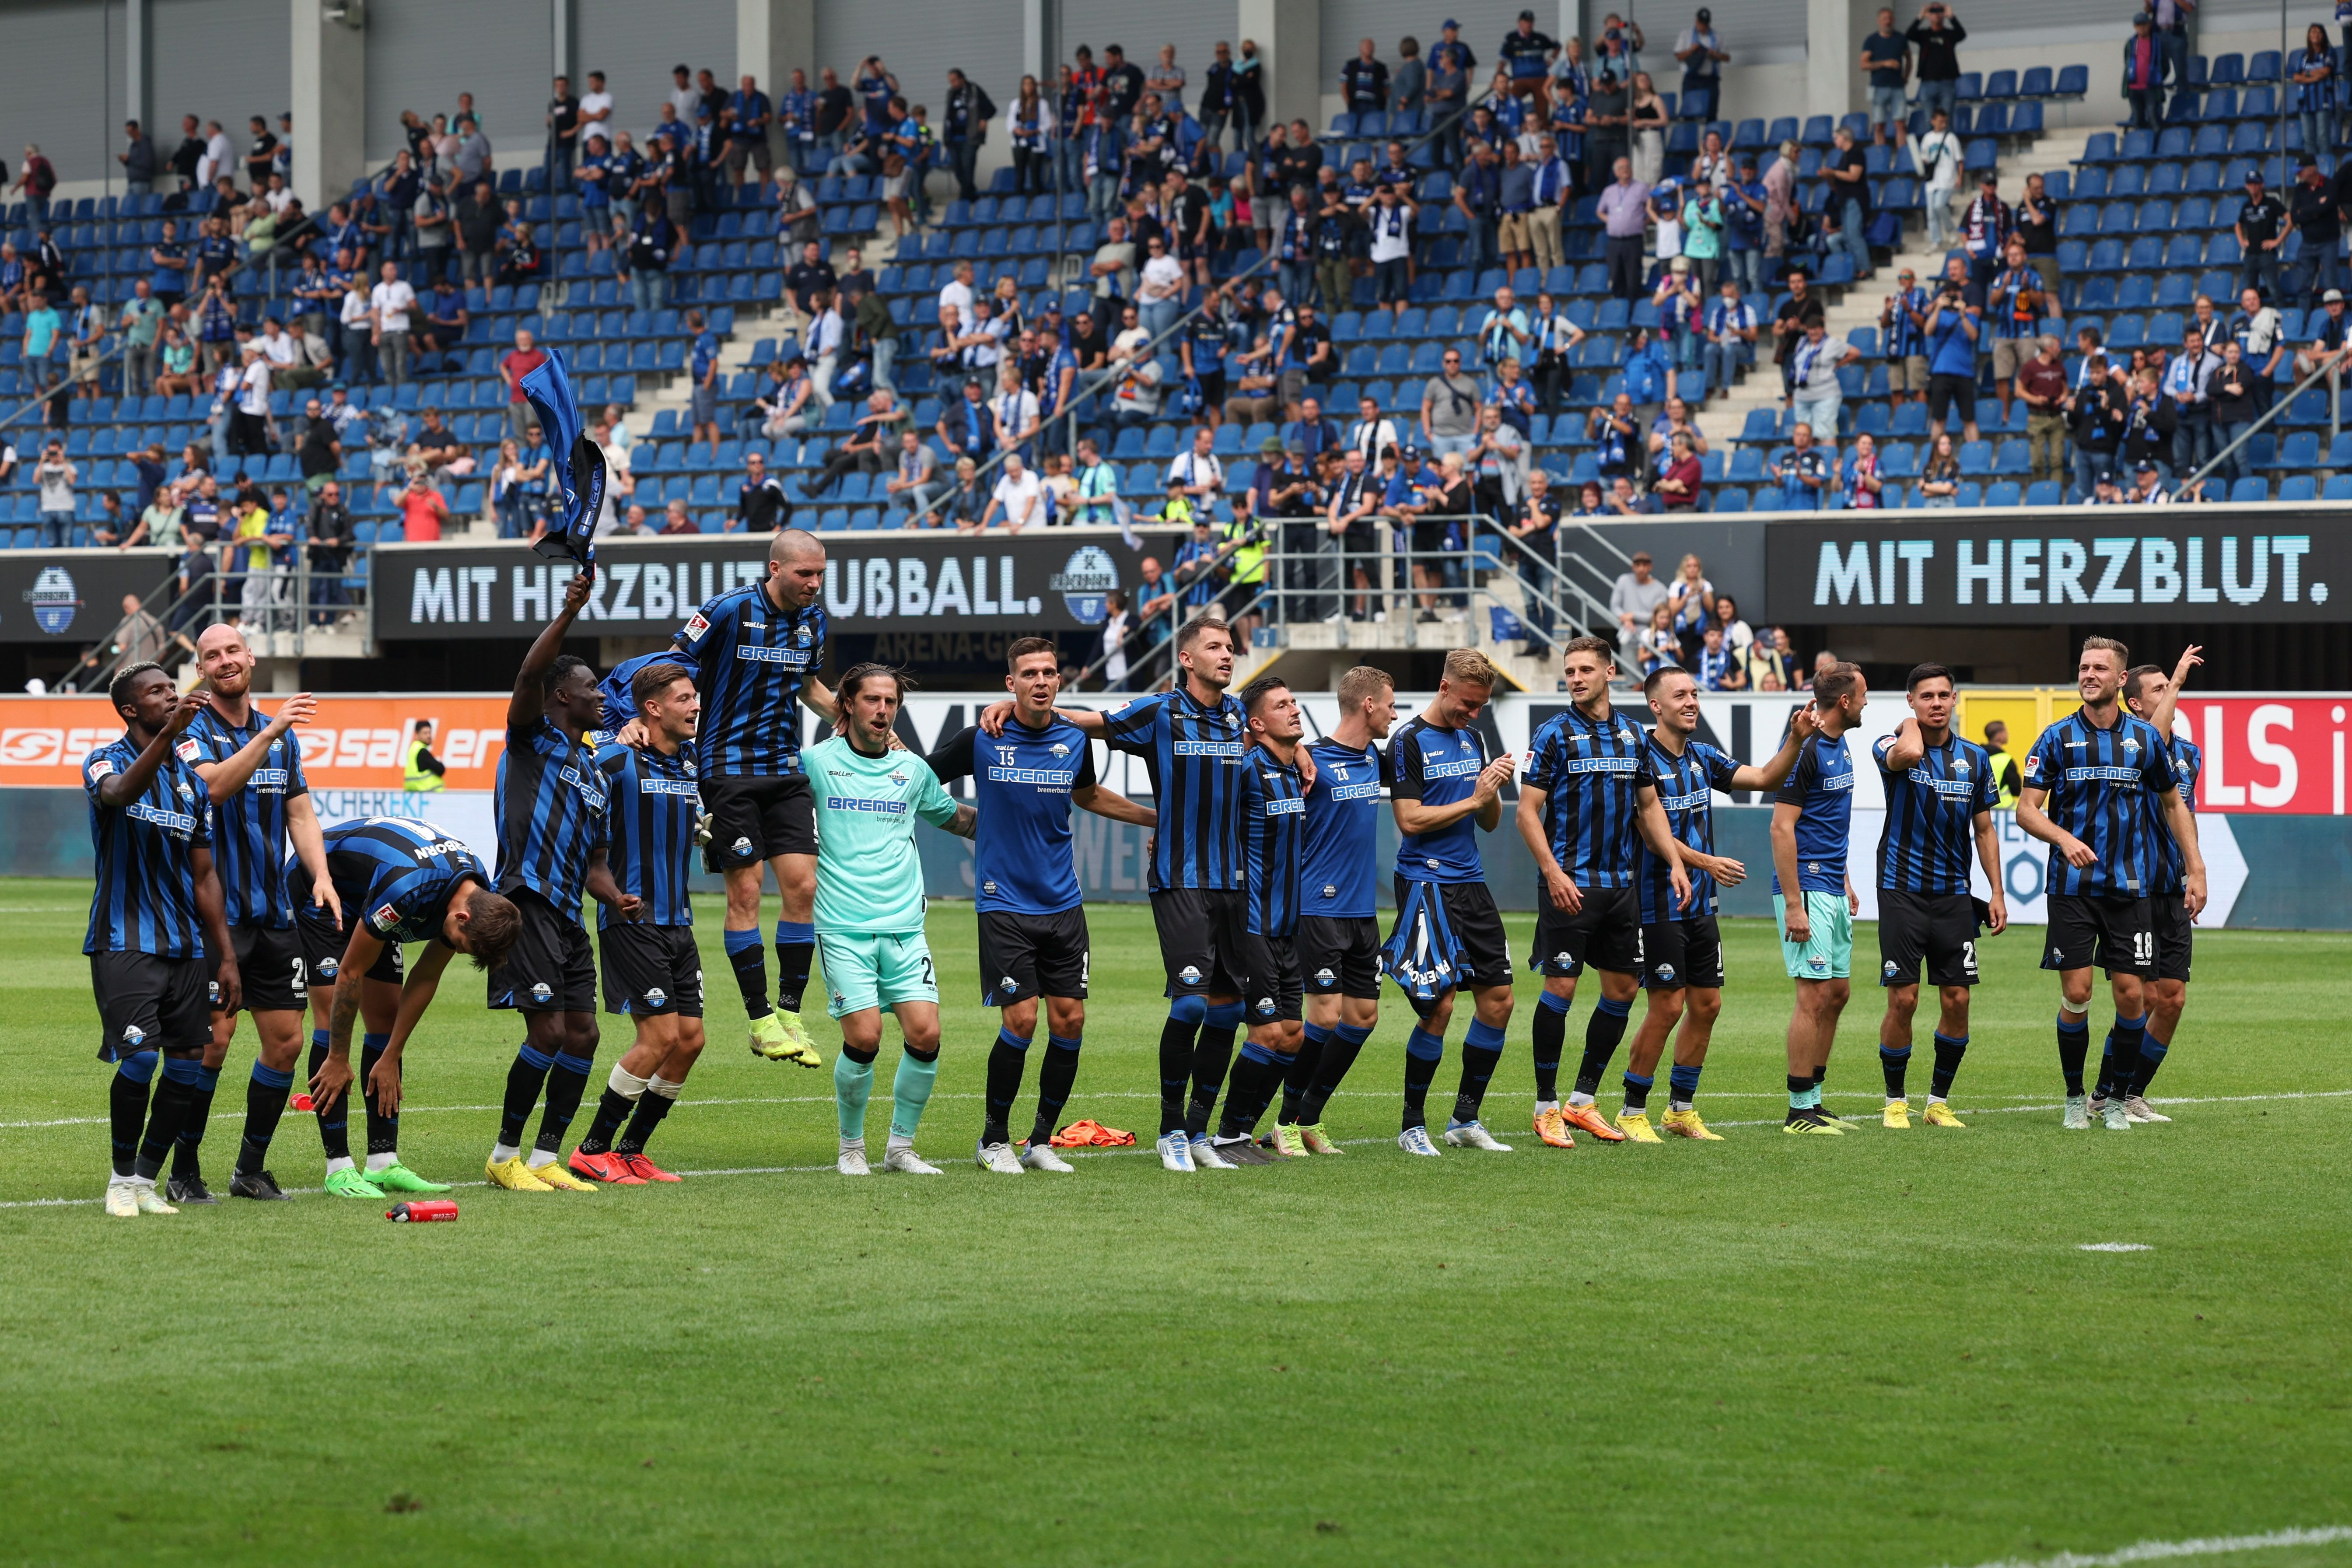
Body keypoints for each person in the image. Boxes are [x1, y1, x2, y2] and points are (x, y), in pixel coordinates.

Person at [976, 616, 1255, 1173]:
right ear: (1186, 658)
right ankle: (1171, 1131)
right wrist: (1025, 708)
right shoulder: (1158, 710)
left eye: (1231, 647)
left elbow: (1275, 737)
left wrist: (1296, 753)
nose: (1227, 655)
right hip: (1179, 878)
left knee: (1229, 1012)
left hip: (1235, 880)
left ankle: (1198, 1133)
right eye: (1215, 647)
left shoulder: (1238, 713)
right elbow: (1092, 721)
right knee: (1193, 1001)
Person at [925, 640, 1155, 1171]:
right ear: (1011, 684)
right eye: (1029, 673)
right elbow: (921, 779)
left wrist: (1156, 820)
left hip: (1063, 902)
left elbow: (1090, 795)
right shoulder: (982, 737)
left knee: (1070, 1020)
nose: (1041, 680)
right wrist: (964, 821)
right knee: (1023, 1020)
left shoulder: (1075, 738)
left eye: (1050, 671)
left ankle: (1042, 1142)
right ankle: (994, 1140)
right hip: (1003, 901)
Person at [1608, 667, 1815, 1141]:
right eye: (1680, 695)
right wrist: (1706, 861)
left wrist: (1796, 739)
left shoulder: (1702, 756)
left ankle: (1680, 1109)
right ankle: (1632, 1109)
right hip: (1656, 902)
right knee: (1667, 1006)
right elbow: (1646, 828)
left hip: (1700, 905)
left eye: (1695, 694)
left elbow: (1763, 776)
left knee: (1707, 1003)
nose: (1691, 702)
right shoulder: (1640, 759)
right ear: (1655, 706)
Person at [166, 630, 336, 1203]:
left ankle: (250, 1169)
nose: (225, 662)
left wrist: (321, 874)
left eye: (232, 652)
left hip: (273, 914)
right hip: (215, 915)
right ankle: (184, 1171)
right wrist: (269, 732)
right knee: (214, 1041)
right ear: (201, 668)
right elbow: (212, 788)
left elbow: (301, 813)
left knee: (286, 1042)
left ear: (251, 658)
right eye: (212, 656)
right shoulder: (192, 727)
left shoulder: (280, 739)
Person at [2015, 637, 2205, 1132]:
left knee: (2132, 997)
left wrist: (2197, 867)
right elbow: (2026, 809)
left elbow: (2173, 803)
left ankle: (2118, 1098)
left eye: (2100, 667)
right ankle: (2076, 1096)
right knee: (2077, 994)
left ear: (2122, 680)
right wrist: (2063, 838)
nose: (2089, 674)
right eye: (2084, 666)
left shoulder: (2144, 739)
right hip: (2072, 888)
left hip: (2131, 889)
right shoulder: (2056, 737)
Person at [480, 568, 628, 1194]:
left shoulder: (596, 775)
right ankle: (503, 1154)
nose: (602, 695)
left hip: (570, 913)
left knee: (585, 1032)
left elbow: (596, 865)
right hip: (527, 899)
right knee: (546, 1029)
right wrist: (568, 613)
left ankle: (545, 1157)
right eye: (591, 687)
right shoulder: (530, 740)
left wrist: (616, 896)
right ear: (561, 696)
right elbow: (524, 678)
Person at [1512, 637, 1693, 1148]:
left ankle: (1582, 1101)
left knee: (1622, 990)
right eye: (1570, 670)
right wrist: (1551, 871)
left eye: (1586, 668)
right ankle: (1545, 1105)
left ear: (1610, 672)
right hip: (1569, 884)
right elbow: (1527, 812)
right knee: (1562, 990)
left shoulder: (1635, 736)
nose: (1575, 677)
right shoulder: (1553, 734)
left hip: (1620, 888)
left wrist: (1676, 862)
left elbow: (1649, 807)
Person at [800, 664, 976, 1176]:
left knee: (925, 1034)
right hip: (842, 925)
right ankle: (850, 1147)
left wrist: (1016, 823)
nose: (882, 709)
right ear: (847, 705)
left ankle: (900, 1148)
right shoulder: (816, 762)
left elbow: (953, 818)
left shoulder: (913, 770)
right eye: (872, 700)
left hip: (905, 926)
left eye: (890, 702)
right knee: (866, 1037)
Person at [83, 664, 240, 1218]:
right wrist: (171, 737)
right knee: (140, 1059)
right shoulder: (105, 761)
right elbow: (122, 794)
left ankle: (146, 1181)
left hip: (187, 949)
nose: (171, 695)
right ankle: (120, 1180)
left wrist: (226, 957)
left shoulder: (194, 784)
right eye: (157, 692)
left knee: (185, 1066)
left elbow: (205, 877)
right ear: (130, 709)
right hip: (125, 940)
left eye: (173, 688)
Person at [561, 662, 707, 1186]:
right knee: (659, 1037)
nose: (695, 705)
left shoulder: (688, 759)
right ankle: (591, 1149)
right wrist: (612, 729)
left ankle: (631, 1150)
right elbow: (578, 754)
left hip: (680, 921)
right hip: (632, 918)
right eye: (685, 698)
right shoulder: (618, 757)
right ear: (652, 708)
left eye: (696, 696)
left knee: (690, 1040)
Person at [1381, 650, 1522, 1158]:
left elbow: (1489, 823)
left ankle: (1466, 1118)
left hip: (1472, 881)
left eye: (1481, 705)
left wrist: (1493, 793)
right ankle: (1411, 1124)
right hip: (1425, 884)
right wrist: (1475, 794)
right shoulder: (1408, 742)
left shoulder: (1473, 737)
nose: (1473, 713)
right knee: (1439, 1005)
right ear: (1445, 687)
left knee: (1499, 1001)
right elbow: (1410, 820)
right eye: (1468, 703)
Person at [1262, 665, 1396, 1154]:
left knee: (1362, 1018)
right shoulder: (1309, 758)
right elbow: (1244, 744)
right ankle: (1285, 1122)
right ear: (1368, 705)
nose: (1394, 713)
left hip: (1364, 911)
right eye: (1389, 704)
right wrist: (1297, 748)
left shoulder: (1377, 760)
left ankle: (1311, 1118)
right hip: (1318, 907)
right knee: (1322, 1017)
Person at [1870, 663, 2008, 1130]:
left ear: (1956, 700)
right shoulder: (1892, 745)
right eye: (1925, 695)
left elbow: (1985, 829)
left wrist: (1998, 892)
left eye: (1943, 695)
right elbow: (1907, 749)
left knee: (1957, 1000)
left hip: (1954, 895)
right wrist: (1909, 725)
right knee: (1904, 999)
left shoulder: (1975, 757)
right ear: (1911, 700)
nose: (1936, 703)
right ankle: (1894, 1100)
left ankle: (1937, 1101)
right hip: (1901, 890)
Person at [2109, 646, 2204, 1123]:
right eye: (2160, 689)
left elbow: (2186, 814)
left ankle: (2131, 1093)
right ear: (2135, 704)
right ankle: (2106, 1092)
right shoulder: (2138, 745)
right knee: (2141, 996)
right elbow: (2156, 735)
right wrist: (2182, 679)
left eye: (2171, 685)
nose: (2170, 692)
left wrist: (2194, 871)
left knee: (2172, 998)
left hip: (2172, 888)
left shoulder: (2190, 754)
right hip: (2137, 888)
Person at [1772, 660, 1867, 1134]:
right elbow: (1782, 826)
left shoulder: (1840, 741)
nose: (1867, 701)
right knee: (1812, 997)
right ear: (1845, 702)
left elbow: (1828, 820)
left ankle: (1815, 1097)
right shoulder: (1807, 747)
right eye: (1863, 694)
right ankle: (1798, 1111)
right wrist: (1793, 903)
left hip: (1831, 882)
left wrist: (1846, 878)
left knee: (1838, 993)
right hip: (1806, 887)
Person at [1906, 2, 1967, 125]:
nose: (1936, 15)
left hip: (1947, 83)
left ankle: (1947, 144)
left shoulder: (1949, 34)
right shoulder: (1924, 35)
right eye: (1933, 12)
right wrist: (1921, 17)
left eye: (1939, 12)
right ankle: (1932, 144)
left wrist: (1951, 17)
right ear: (1929, 15)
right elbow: (1909, 35)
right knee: (1930, 121)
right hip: (1927, 83)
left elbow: (1962, 35)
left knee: (1947, 121)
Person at [1861, 9, 1911, 146]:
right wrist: (1885, 63)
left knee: (1900, 123)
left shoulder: (1901, 39)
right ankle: (1880, 154)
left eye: (1890, 18)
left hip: (1897, 88)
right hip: (1878, 88)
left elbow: (1909, 58)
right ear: (1879, 21)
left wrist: (1906, 76)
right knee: (1879, 125)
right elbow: (1863, 64)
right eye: (1884, 19)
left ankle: (1902, 155)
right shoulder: (1872, 41)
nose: (1887, 21)